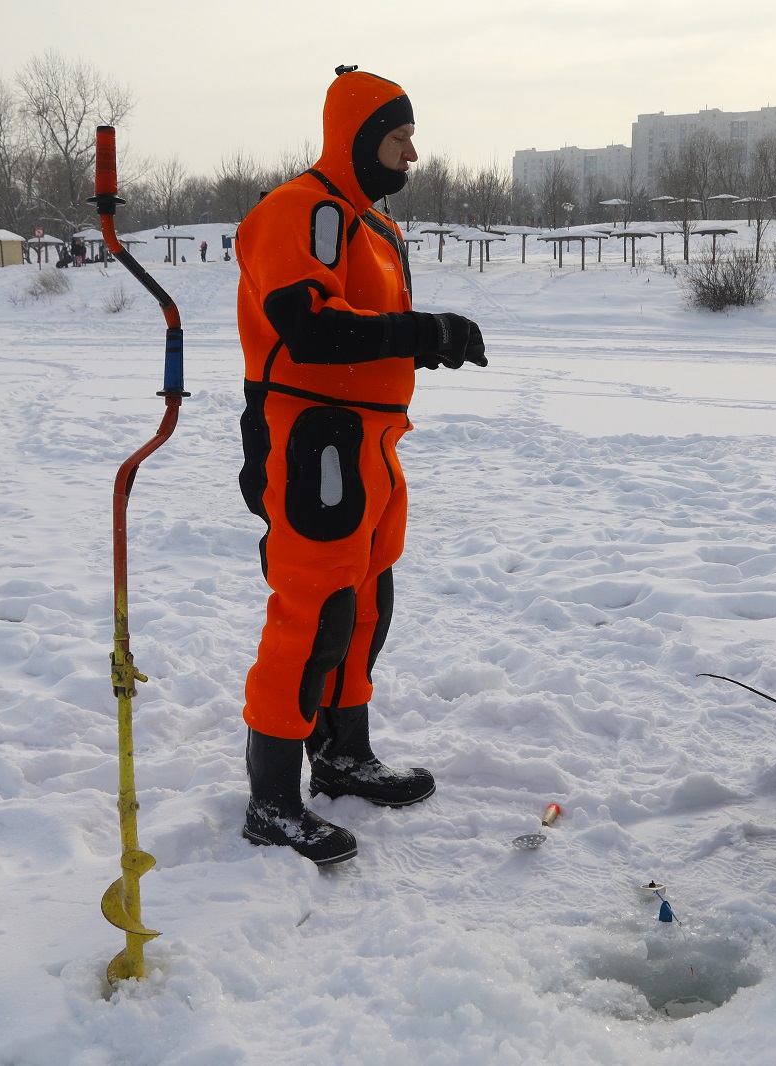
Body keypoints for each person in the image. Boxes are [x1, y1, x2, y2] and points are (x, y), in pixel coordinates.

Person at [234, 66, 488, 865]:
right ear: (356, 136)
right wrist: (422, 332)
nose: (413, 152)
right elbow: (307, 328)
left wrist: (427, 344)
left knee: (369, 600)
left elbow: (369, 331)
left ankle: (342, 754)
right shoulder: (302, 209)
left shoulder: (375, 227)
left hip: (375, 443)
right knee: (315, 612)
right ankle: (273, 798)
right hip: (315, 440)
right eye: (400, 135)